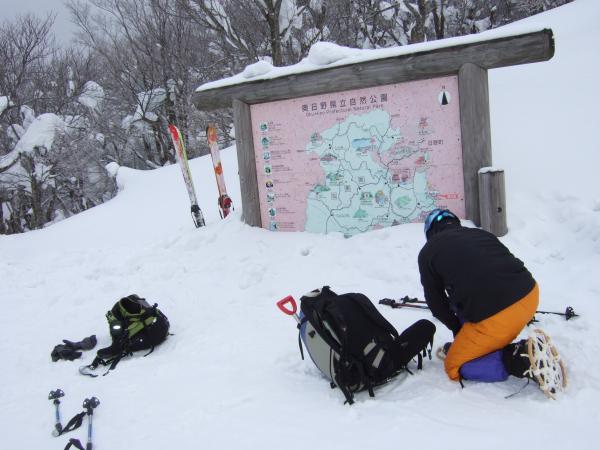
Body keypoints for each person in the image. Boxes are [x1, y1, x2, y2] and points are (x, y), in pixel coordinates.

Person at [417, 209, 564, 393]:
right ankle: (479, 343)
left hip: (496, 315)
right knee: (461, 301)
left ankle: (520, 358)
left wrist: (457, 330)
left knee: (455, 366)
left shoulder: (428, 252)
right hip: (529, 295)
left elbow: (437, 305)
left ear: (430, 233)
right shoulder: (481, 234)